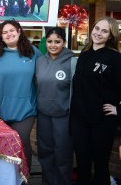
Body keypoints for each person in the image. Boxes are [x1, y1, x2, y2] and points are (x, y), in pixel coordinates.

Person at [70, 16, 121, 185]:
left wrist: (118, 110)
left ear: (111, 36)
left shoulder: (115, 59)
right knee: (83, 165)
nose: (99, 33)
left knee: (100, 167)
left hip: (102, 122)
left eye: (104, 31)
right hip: (79, 120)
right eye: (97, 28)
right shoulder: (84, 55)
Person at [0, 19, 42, 172]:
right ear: (1, 36)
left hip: (26, 110)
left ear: (19, 31)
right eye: (4, 32)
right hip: (0, 109)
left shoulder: (33, 52)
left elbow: (48, 69)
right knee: (2, 145)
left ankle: (24, 177)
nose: (9, 34)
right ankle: (6, 178)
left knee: (22, 142)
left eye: (12, 30)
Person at [35, 27, 76, 185]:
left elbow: (76, 91)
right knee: (45, 152)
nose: (53, 45)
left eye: (57, 41)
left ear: (64, 42)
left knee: (63, 154)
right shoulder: (40, 61)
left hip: (64, 116)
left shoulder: (72, 61)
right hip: (44, 115)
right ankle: (47, 181)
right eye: (50, 41)